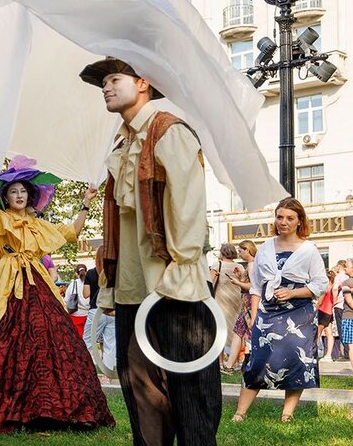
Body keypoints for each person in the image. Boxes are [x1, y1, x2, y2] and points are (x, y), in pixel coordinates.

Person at [79, 57, 220, 444]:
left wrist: (182, 265)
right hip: (131, 286)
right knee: (138, 385)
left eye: (114, 79)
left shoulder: (169, 131)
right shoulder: (122, 142)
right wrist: (110, 285)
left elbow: (188, 205)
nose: (106, 87)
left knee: (188, 390)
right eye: (103, 83)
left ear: (143, 82)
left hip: (174, 284)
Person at [0, 156, 112, 432]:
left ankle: (48, 406)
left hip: (37, 281)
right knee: (3, 332)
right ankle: (7, 405)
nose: (19, 195)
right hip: (7, 282)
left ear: (30, 194)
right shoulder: (0, 218)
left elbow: (72, 231)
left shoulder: (39, 224)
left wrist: (86, 202)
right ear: (5, 196)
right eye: (13, 191)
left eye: (22, 191)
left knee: (48, 333)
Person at [233, 198, 329, 423]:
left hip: (299, 314)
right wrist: (255, 315)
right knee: (256, 361)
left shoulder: (309, 250)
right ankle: (240, 412)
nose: (283, 222)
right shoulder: (265, 247)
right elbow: (256, 286)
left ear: (299, 221)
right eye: (279, 217)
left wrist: (293, 293)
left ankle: (287, 414)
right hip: (268, 313)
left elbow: (320, 284)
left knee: (297, 361)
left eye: (289, 218)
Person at [211, 243, 246, 371]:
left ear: (222, 252)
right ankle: (235, 362)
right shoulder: (239, 266)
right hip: (236, 301)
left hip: (221, 301)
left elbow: (210, 282)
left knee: (220, 331)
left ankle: (220, 363)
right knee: (236, 332)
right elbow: (244, 282)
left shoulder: (217, 265)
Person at [226, 240, 258, 372]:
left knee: (243, 332)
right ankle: (229, 365)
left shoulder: (251, 265)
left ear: (248, 250)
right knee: (238, 332)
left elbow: (253, 287)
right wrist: (240, 277)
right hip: (247, 303)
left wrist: (237, 283)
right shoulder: (252, 264)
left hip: (249, 303)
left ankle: (231, 365)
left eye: (240, 251)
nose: (239, 253)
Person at [330, 259, 350, 361]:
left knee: (341, 329)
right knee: (348, 329)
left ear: (339, 266)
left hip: (339, 305)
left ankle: (346, 354)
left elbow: (334, 288)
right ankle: (350, 352)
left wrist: (334, 300)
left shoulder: (339, 277)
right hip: (347, 305)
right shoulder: (348, 277)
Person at [65, 264, 90, 338]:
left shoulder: (73, 284)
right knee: (88, 338)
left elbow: (67, 299)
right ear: (86, 271)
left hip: (76, 314)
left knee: (78, 338)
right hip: (89, 314)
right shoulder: (90, 282)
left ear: (76, 273)